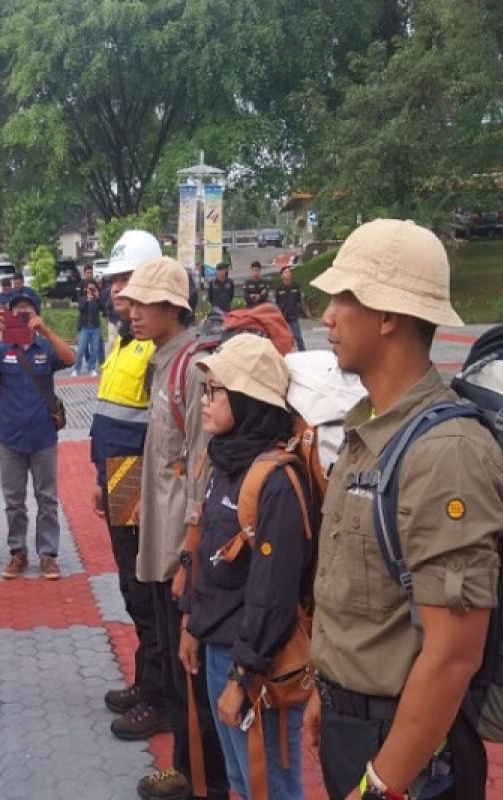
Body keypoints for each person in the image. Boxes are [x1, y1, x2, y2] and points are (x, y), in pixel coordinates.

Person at [305, 219, 503, 800]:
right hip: (360, 725)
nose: (328, 318)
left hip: (408, 754)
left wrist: (383, 783)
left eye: (343, 299)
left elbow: (452, 653)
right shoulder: (372, 429)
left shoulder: (446, 453)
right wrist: (330, 688)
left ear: (387, 315)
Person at [178, 335, 314, 800]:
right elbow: (211, 557)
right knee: (241, 778)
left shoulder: (276, 481)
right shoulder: (223, 461)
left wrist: (243, 677)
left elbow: (272, 597)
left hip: (259, 663)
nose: (205, 402)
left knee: (270, 786)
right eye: (205, 390)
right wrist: (192, 626)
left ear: (250, 401)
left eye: (217, 392)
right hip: (221, 647)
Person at [120, 256, 229, 800]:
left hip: (182, 552)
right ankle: (188, 768)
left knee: (193, 671)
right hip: (162, 545)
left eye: (142, 303)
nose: (130, 311)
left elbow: (204, 469)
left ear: (172, 308)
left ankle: (202, 780)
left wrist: (189, 555)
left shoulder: (194, 368)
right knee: (177, 663)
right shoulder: (164, 362)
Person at [88, 230, 168, 741]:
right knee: (132, 592)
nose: (118, 290)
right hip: (120, 482)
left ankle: (160, 699)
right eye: (114, 279)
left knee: (150, 595)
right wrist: (101, 480)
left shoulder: (158, 350)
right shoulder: (124, 342)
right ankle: (148, 681)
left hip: (144, 488)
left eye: (128, 280)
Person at [0, 292, 75, 580]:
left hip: (43, 436)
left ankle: (48, 555)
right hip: (10, 437)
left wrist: (45, 329)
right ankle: (17, 552)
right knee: (14, 501)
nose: (21, 315)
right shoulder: (2, 348)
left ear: (35, 314)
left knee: (47, 499)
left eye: (27, 311)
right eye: (15, 311)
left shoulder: (44, 346)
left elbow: (70, 359)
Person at [273, 267, 309, 351]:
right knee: (283, 337)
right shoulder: (279, 289)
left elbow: (299, 300)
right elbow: (277, 302)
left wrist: (300, 311)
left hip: (293, 316)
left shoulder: (296, 286)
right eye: (285, 272)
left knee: (298, 336)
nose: (288, 274)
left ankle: (303, 352)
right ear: (282, 276)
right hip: (283, 317)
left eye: (289, 272)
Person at [74, 279, 105, 376]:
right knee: (81, 348)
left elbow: (103, 309)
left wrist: (98, 297)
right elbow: (80, 308)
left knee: (94, 349)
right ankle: (76, 368)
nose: (91, 290)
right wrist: (87, 299)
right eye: (89, 288)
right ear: (86, 289)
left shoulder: (97, 298)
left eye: (93, 288)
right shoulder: (83, 298)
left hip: (95, 327)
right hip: (85, 327)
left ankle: (91, 368)